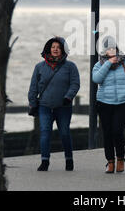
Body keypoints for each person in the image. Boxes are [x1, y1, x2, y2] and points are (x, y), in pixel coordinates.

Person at [28, 36, 80, 171]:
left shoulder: (70, 66)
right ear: (48, 49)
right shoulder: (39, 67)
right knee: (45, 133)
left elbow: (75, 84)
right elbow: (33, 86)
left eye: (58, 47)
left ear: (63, 50)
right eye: (53, 47)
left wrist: (68, 97)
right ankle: (44, 161)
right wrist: (32, 103)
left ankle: (69, 159)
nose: (55, 49)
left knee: (64, 133)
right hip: (44, 106)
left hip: (64, 107)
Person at [92, 36, 125, 173]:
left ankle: (121, 159)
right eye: (108, 49)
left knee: (117, 132)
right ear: (104, 51)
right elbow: (96, 79)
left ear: (117, 49)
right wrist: (108, 63)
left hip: (121, 103)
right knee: (107, 133)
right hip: (104, 103)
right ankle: (110, 162)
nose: (111, 50)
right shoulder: (99, 64)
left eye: (113, 48)